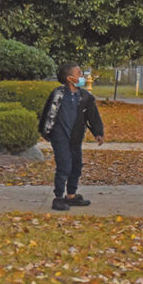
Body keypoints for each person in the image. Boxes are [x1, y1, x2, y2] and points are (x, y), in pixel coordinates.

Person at [38, 63, 105, 211]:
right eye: (79, 73)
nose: (82, 76)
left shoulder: (85, 97)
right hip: (60, 136)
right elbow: (48, 113)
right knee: (64, 166)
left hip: (75, 136)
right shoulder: (58, 94)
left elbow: (92, 116)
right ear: (70, 78)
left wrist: (98, 133)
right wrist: (46, 132)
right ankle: (59, 197)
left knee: (76, 165)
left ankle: (71, 195)